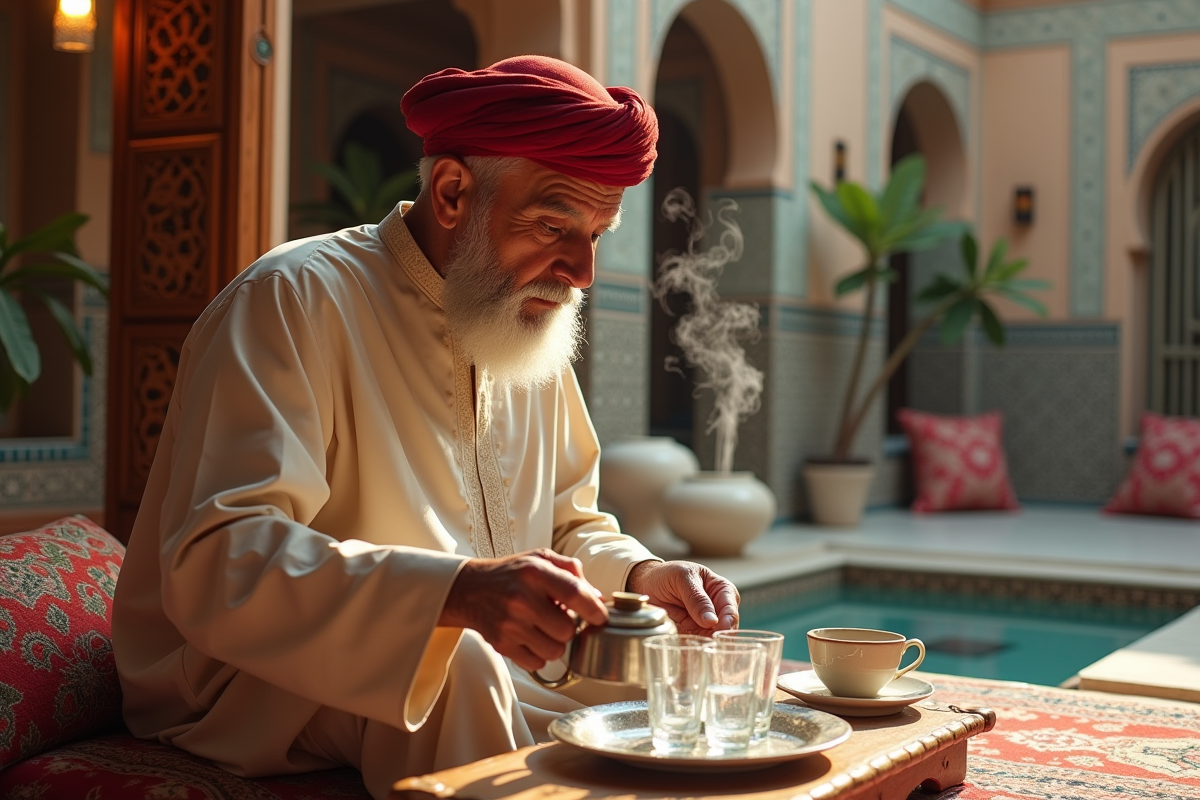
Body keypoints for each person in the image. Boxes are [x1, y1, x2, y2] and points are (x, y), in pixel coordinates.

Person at [112, 55, 740, 799]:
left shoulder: (524, 323)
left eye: (597, 235)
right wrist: (450, 597)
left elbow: (570, 527)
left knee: (661, 660)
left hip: (490, 658)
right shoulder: (294, 300)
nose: (581, 271)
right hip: (249, 677)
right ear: (451, 193)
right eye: (553, 225)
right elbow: (221, 561)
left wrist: (641, 576)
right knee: (456, 662)